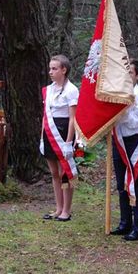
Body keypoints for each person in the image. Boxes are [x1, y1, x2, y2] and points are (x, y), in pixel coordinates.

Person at [110, 60, 138, 241]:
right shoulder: (118, 93)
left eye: (131, 73)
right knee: (121, 185)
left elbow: (135, 123)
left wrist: (124, 108)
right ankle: (125, 222)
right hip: (117, 139)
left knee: (135, 184)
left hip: (132, 142)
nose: (127, 77)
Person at [40, 55, 79, 222]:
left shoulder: (71, 90)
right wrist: (42, 138)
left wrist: (69, 142)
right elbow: (45, 116)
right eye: (50, 68)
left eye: (54, 68)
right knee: (54, 172)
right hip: (49, 132)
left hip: (64, 133)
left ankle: (66, 210)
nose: (51, 72)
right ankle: (58, 207)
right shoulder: (48, 89)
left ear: (64, 70)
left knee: (65, 172)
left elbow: (73, 118)